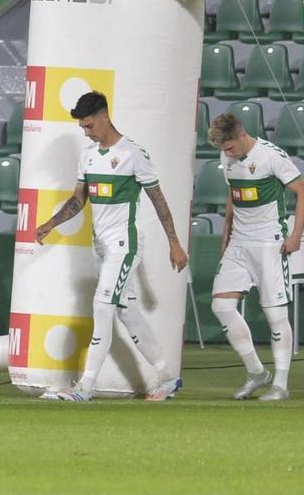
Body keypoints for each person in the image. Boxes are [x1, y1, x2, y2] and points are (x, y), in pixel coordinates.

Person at [32, 90, 188, 402]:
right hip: (101, 246)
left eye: (89, 125)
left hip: (124, 245)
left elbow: (159, 201)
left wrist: (174, 243)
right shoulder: (88, 156)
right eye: (83, 128)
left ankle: (85, 388)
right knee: (126, 312)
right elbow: (79, 200)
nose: (86, 132)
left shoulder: (133, 154)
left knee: (102, 306)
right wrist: (50, 223)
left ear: (104, 117)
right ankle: (168, 377)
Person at [207, 112, 304, 402]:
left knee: (275, 314)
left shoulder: (271, 156)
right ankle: (256, 372)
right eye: (223, 150)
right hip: (239, 242)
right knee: (222, 306)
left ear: (240, 135)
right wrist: (226, 231)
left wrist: (296, 235)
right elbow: (233, 194)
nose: (226, 154)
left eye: (229, 147)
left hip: (269, 243)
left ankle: (280, 383)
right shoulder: (228, 157)